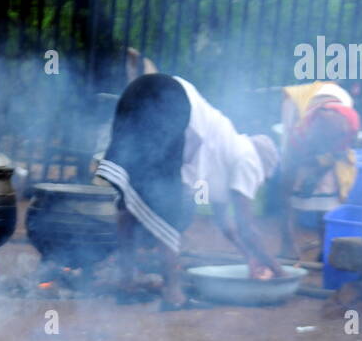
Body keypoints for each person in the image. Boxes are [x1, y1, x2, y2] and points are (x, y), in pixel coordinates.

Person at [96, 73, 282, 309]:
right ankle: (173, 295)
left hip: (139, 91)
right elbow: (247, 226)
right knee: (169, 204)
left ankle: (127, 282)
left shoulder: (227, 149)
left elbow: (227, 224)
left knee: (129, 201)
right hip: (171, 101)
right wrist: (278, 270)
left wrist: (250, 258)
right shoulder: (250, 159)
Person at [279, 82, 361, 257]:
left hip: (328, 156)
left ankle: (326, 251)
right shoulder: (297, 122)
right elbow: (291, 154)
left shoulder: (346, 121)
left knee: (327, 208)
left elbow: (339, 151)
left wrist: (319, 170)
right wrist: (299, 174)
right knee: (288, 198)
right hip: (302, 145)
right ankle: (288, 246)